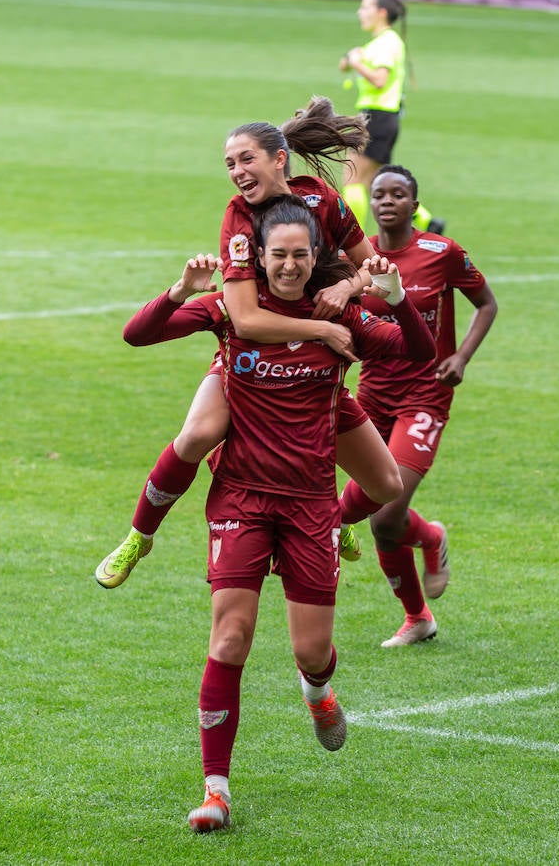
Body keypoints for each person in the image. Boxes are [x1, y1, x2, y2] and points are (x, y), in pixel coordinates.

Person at [120, 198, 434, 833]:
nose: (289, 266)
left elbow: (417, 356)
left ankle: (317, 691)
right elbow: (138, 333)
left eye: (300, 255)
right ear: (258, 259)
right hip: (239, 499)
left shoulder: (341, 315)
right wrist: (179, 288)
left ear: (315, 257)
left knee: (311, 651)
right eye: (278, 255)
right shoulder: (233, 313)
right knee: (229, 639)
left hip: (311, 505)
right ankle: (215, 791)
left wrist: (396, 298)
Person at [96, 96, 404, 590]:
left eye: (246, 159)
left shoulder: (321, 200)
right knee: (197, 435)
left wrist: (347, 288)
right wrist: (324, 328)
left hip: (311, 371)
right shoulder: (239, 217)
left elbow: (374, 269)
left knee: (387, 485)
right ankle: (139, 537)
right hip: (250, 356)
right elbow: (244, 318)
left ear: (279, 158)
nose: (237, 172)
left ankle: (336, 519)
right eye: (229, 164)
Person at [336, 165, 497, 646]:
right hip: (374, 391)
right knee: (387, 527)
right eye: (379, 194)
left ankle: (334, 523)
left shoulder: (439, 252)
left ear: (414, 203)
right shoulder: (355, 259)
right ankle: (418, 612)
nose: (387, 201)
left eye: (398, 194)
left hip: (426, 393)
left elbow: (485, 303)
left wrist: (461, 357)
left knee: (384, 511)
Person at [338, 0, 444, 236]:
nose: (359, 12)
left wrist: (355, 63)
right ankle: (429, 223)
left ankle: (352, 239)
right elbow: (349, 63)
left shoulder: (387, 42)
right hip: (381, 118)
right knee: (379, 181)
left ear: (381, 13)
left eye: (365, 7)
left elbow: (379, 79)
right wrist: (350, 60)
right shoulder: (378, 43)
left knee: (352, 179)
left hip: (377, 117)